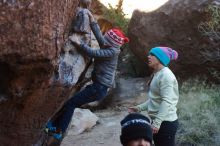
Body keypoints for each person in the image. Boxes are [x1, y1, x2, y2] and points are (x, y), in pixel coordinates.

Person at [45, 12, 129, 140]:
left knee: (71, 104)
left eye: (106, 39)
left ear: (111, 43)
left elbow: (92, 52)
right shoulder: (110, 46)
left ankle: (58, 131)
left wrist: (78, 42)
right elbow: (100, 37)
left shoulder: (111, 52)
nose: (103, 40)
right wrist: (92, 21)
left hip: (98, 88)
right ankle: (54, 128)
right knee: (70, 103)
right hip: (98, 87)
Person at [128, 47, 179, 146]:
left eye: (152, 55)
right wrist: (139, 108)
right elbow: (156, 99)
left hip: (166, 123)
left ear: (160, 58)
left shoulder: (166, 76)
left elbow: (167, 101)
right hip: (160, 121)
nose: (148, 57)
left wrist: (157, 123)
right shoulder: (158, 74)